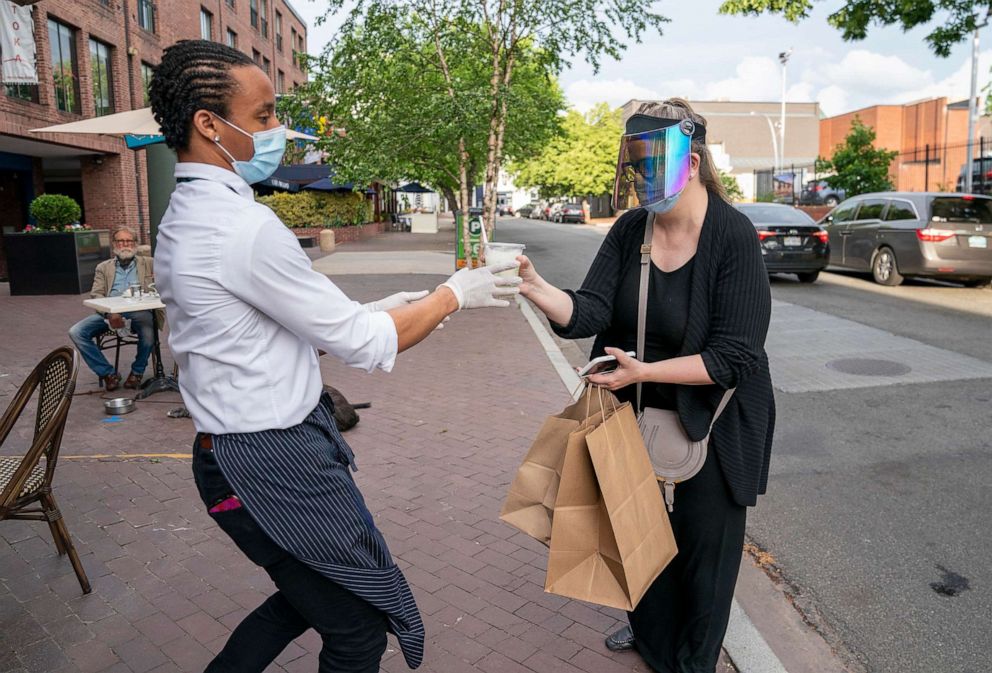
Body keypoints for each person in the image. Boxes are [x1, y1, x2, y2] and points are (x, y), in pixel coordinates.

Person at [148, 40, 519, 673]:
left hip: (237, 454)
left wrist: (403, 301)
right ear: (209, 124)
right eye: (263, 116)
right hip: (269, 462)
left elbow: (279, 329)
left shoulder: (191, 215)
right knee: (357, 631)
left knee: (307, 601)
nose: (277, 131)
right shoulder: (243, 227)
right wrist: (457, 294)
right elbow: (364, 343)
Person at [517, 99, 775, 673]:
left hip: (716, 414)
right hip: (634, 414)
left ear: (694, 159)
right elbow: (588, 311)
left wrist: (646, 372)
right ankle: (652, 642)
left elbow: (735, 357)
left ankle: (693, 664)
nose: (643, 176)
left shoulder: (732, 234)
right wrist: (535, 287)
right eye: (635, 162)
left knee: (705, 556)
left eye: (655, 159)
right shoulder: (634, 227)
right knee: (638, 540)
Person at [68, 227, 158, 391]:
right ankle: (108, 373)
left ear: (135, 244)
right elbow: (96, 294)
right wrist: (110, 312)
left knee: (148, 331)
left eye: (129, 241)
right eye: (121, 241)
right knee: (76, 331)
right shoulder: (103, 267)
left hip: (140, 311)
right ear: (114, 244)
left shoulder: (150, 263)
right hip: (109, 313)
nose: (125, 245)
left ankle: (137, 373)